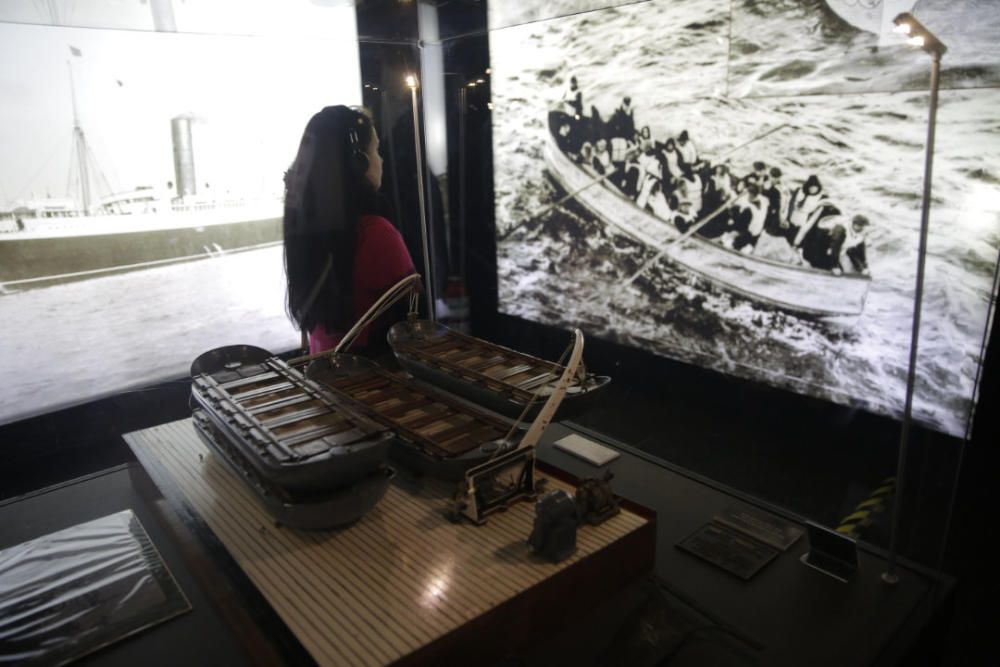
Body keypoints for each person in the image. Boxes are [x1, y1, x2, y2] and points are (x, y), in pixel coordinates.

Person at [283, 105, 415, 355]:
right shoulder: (376, 234)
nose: (382, 159)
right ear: (358, 162)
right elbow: (412, 323)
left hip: (325, 374)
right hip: (371, 383)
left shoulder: (308, 229)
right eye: (376, 149)